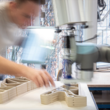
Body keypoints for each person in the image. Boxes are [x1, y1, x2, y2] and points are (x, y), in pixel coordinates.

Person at [0, 0, 55, 87]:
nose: (30, 23)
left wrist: (42, 42)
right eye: (27, 16)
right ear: (13, 6)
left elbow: (18, 40)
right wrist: (25, 70)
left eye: (33, 18)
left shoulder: (15, 18)